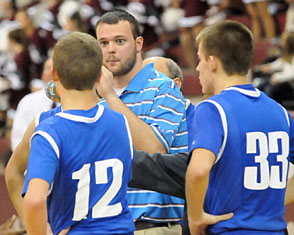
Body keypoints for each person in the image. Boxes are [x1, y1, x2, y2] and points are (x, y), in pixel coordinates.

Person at [186, 20, 294, 234]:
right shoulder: (280, 112)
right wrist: (274, 199)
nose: (197, 68)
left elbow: (198, 171)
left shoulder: (212, 109)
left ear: (213, 62)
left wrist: (195, 217)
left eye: (199, 59)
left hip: (232, 229)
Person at [22, 32, 135, 234]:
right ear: (100, 75)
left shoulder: (50, 130)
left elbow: (34, 200)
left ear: (54, 73)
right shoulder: (120, 121)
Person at [95, 9, 187, 233]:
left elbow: (153, 148)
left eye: (119, 41)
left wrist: (111, 98)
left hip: (152, 227)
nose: (111, 50)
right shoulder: (94, 96)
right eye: (104, 43)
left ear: (138, 43)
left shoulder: (164, 88)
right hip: (104, 226)